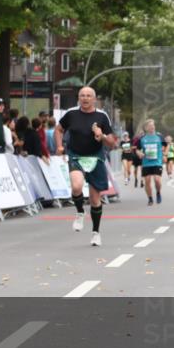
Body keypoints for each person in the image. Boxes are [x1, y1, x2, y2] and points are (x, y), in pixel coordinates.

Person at [55, 87, 116, 247]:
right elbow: (59, 129)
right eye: (82, 95)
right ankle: (80, 211)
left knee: (95, 199)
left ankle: (96, 232)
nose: (85, 98)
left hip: (95, 157)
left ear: (94, 99)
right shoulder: (71, 114)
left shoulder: (102, 116)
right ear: (79, 98)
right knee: (76, 186)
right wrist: (59, 145)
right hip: (76, 155)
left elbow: (111, 143)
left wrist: (101, 136)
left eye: (89, 96)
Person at [135, 119, 164, 205]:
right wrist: (139, 153)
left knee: (157, 180)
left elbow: (166, 145)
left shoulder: (159, 136)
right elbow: (137, 149)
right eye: (150, 126)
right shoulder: (142, 138)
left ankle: (158, 192)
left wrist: (165, 154)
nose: (152, 127)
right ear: (146, 128)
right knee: (147, 181)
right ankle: (150, 198)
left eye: (153, 125)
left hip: (157, 162)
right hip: (146, 163)